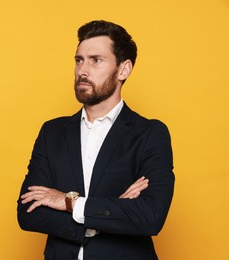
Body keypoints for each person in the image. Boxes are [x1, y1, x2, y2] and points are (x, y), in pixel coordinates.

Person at [17, 20, 175, 260]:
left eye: (96, 60)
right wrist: (105, 216)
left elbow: (150, 217)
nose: (83, 70)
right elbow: (28, 212)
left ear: (124, 69)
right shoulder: (52, 132)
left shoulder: (150, 134)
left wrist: (69, 203)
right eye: (79, 60)